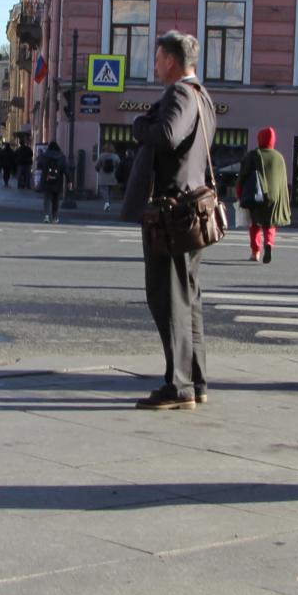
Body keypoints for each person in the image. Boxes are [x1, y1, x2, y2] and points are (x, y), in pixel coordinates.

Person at [122, 30, 213, 409]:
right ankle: (196, 382)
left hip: (169, 214)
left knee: (168, 300)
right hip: (187, 212)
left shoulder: (179, 94)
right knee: (187, 299)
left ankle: (179, 387)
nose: (155, 65)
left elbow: (169, 135)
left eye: (158, 58)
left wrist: (139, 126)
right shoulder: (201, 95)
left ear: (172, 61)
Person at [237, 126, 291, 263]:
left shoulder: (252, 155)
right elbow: (283, 181)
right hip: (275, 197)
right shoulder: (279, 157)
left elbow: (242, 176)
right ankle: (269, 243)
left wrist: (239, 194)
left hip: (257, 195)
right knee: (270, 223)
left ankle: (255, 252)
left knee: (255, 224)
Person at [38, 140, 67, 222]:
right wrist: (69, 180)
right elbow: (65, 168)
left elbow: (39, 165)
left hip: (47, 179)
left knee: (47, 198)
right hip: (57, 180)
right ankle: (55, 217)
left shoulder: (44, 155)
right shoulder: (62, 156)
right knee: (56, 199)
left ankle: (46, 216)